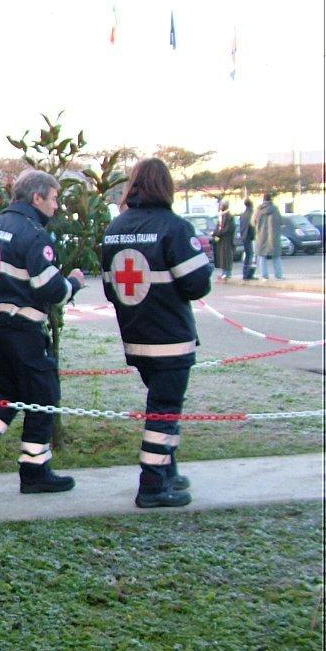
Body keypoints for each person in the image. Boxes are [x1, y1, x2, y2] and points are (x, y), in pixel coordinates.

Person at [0, 170, 85, 494]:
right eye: (54, 199)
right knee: (44, 397)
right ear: (37, 198)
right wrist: (75, 283)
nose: (56, 207)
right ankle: (35, 471)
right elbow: (51, 289)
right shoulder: (33, 234)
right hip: (23, 330)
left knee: (10, 392)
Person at [100, 158, 212, 508]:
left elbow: (109, 288)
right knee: (164, 410)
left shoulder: (114, 228)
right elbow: (196, 284)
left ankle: (167, 472)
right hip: (171, 339)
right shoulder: (174, 227)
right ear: (166, 187)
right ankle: (151, 484)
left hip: (136, 337)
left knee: (164, 407)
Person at [252, 193, 284, 280]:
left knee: (262, 256)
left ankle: (264, 275)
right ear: (271, 199)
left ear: (263, 200)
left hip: (261, 236)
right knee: (276, 256)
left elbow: (253, 222)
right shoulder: (275, 209)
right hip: (273, 236)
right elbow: (280, 221)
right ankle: (278, 275)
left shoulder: (258, 210)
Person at [211, 200, 235, 281]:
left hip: (227, 239)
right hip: (220, 239)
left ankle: (227, 273)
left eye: (222, 205)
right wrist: (215, 235)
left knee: (226, 256)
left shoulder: (229, 217)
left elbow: (228, 229)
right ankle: (223, 272)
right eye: (220, 205)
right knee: (221, 256)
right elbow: (218, 227)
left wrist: (218, 233)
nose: (220, 206)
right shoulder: (220, 215)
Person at [238, 197, 257, 281]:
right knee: (250, 256)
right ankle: (248, 274)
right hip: (250, 237)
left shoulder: (243, 215)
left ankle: (245, 273)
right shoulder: (251, 214)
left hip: (244, 237)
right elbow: (253, 226)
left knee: (247, 255)